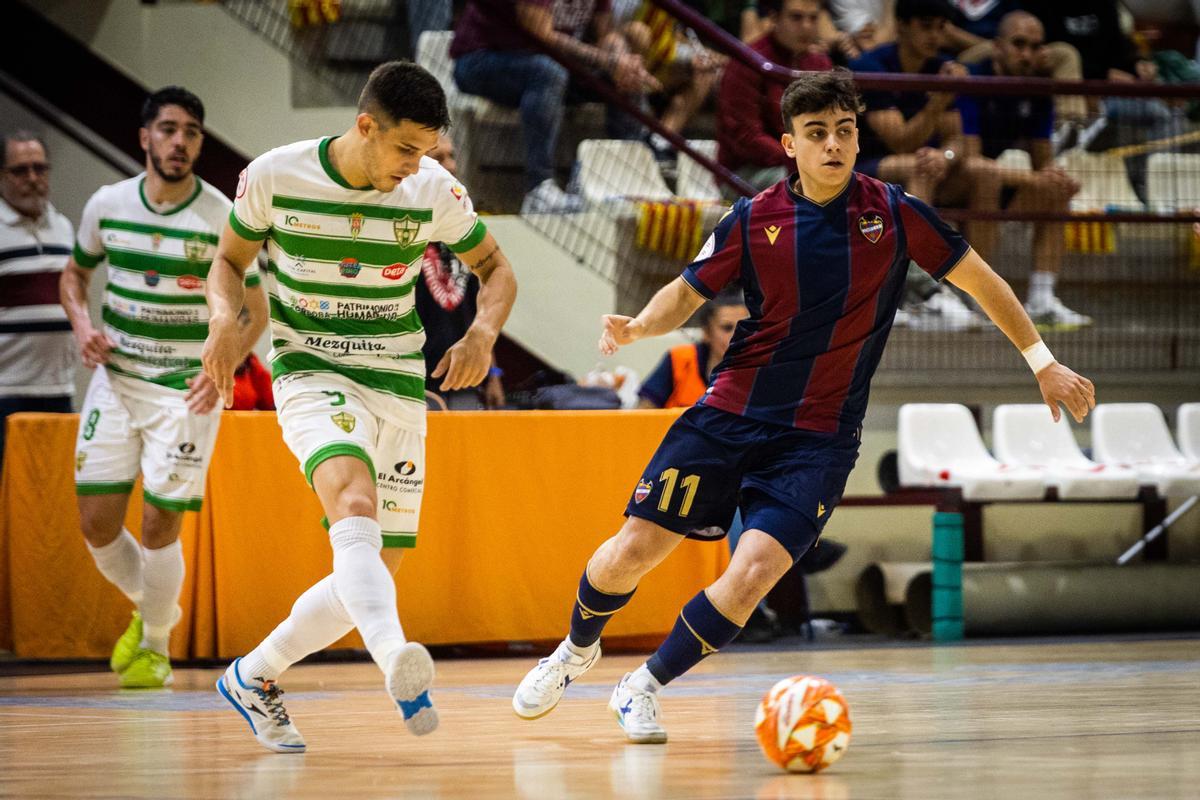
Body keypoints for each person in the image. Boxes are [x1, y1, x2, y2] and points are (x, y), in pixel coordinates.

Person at [511, 69, 1094, 743]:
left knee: (754, 570)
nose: (833, 145)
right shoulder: (754, 218)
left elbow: (982, 280)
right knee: (631, 552)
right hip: (729, 416)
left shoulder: (895, 213)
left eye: (844, 131)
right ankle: (574, 651)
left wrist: (1042, 362)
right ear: (789, 145)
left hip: (819, 439)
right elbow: (689, 288)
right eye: (816, 134)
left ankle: (641, 687)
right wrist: (640, 325)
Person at [202, 61, 517, 753]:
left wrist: (483, 333)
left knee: (369, 571)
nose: (416, 165)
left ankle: (252, 677)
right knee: (353, 509)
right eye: (406, 149)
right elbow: (228, 261)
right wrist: (223, 319)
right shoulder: (275, 175)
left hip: (398, 382)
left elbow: (498, 271)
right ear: (365, 125)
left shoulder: (434, 188)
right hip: (309, 367)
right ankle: (398, 662)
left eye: (427, 151)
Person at [58, 87, 268, 688]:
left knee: (158, 525)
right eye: (169, 129)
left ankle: (154, 645)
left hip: (185, 390)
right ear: (145, 137)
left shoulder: (220, 215)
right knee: (96, 524)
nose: (181, 141)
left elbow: (256, 308)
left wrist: (219, 365)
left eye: (192, 132)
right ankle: (162, 608)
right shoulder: (108, 203)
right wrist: (82, 326)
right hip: (116, 381)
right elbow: (74, 276)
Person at [850, 0, 985, 331]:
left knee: (982, 175)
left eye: (941, 28)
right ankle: (923, 291)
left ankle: (977, 289)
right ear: (902, 26)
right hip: (865, 166)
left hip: (923, 163)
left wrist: (947, 156)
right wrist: (938, 99)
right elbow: (900, 140)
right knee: (918, 167)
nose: (935, 36)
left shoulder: (939, 67)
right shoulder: (873, 67)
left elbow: (958, 141)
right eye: (926, 26)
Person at [451, 0, 660, 214]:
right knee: (548, 72)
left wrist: (621, 61)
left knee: (625, 80)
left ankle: (628, 179)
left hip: (550, 64)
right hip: (481, 60)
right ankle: (539, 190)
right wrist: (607, 60)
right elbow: (542, 35)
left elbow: (606, 34)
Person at [957, 11, 1090, 329]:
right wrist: (1034, 177)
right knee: (985, 176)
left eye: (1035, 46)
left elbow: (1043, 165)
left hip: (993, 181)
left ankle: (1042, 299)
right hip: (955, 181)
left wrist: (1056, 178)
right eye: (1019, 45)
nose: (1027, 54)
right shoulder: (971, 79)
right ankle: (979, 297)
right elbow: (972, 161)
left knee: (1055, 188)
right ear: (998, 47)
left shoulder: (1038, 90)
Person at [0, 131, 75, 473]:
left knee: (50, 499)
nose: (32, 178)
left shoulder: (63, 227)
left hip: (59, 387)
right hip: (7, 390)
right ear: (3, 175)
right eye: (20, 170)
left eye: (40, 168)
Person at [417, 135, 505, 409]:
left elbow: (481, 307)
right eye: (439, 158)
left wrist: (493, 373)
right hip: (419, 380)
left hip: (466, 378)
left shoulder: (463, 230)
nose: (451, 166)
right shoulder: (404, 228)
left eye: (451, 155)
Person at [717, 0, 834, 192]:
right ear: (774, 18)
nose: (806, 26)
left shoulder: (820, 64)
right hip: (747, 172)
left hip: (807, 163)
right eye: (796, 17)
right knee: (803, 182)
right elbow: (746, 137)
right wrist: (799, 157)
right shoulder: (748, 62)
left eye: (813, 18)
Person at [637, 289, 747, 409]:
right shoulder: (679, 360)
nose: (737, 335)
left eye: (744, 327)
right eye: (727, 328)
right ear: (706, 332)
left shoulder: (760, 368)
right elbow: (642, 413)